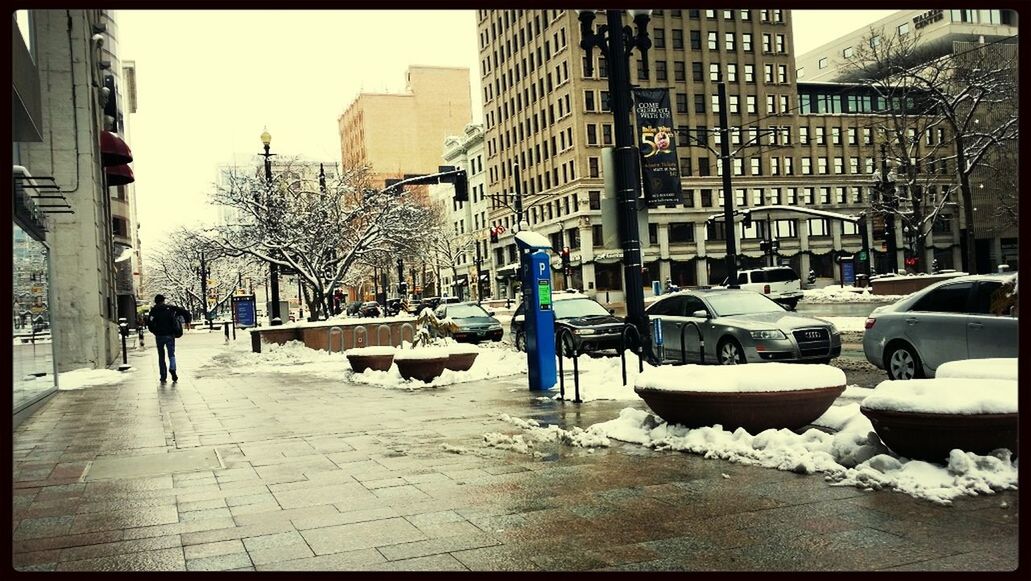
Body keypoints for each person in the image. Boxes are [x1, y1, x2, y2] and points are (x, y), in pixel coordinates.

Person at [146, 294, 192, 383]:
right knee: (171, 354)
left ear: (156, 302)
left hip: (159, 336)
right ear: (163, 301)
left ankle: (163, 376)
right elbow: (184, 311)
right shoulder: (170, 308)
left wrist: (155, 331)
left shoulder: (153, 311)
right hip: (170, 335)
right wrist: (187, 321)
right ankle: (172, 368)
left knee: (161, 356)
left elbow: (150, 324)